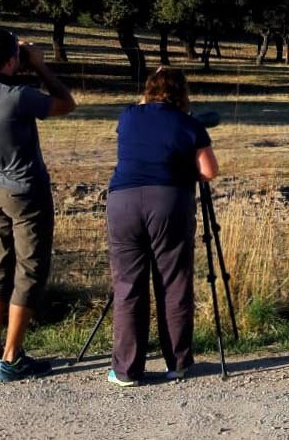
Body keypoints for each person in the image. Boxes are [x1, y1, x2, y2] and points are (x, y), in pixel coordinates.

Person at [0, 29, 77, 382]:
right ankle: (12, 357)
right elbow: (66, 103)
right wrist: (40, 66)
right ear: (12, 61)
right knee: (29, 269)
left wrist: (15, 65)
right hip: (24, 191)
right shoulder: (19, 97)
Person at [106, 67, 218, 386]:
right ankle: (178, 362)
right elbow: (209, 171)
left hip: (123, 201)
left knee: (128, 285)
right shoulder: (189, 124)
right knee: (173, 283)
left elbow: (144, 107)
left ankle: (127, 369)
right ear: (183, 95)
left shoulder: (128, 116)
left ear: (148, 90)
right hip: (169, 202)